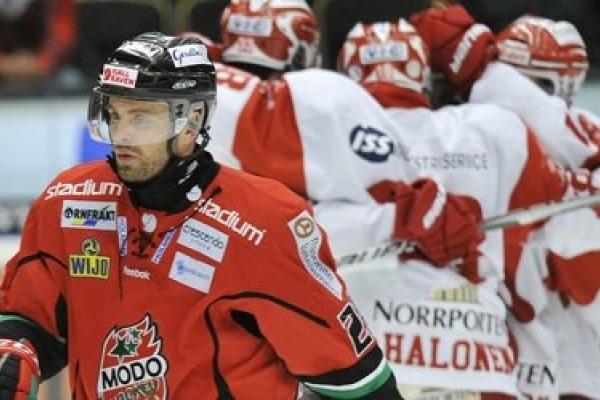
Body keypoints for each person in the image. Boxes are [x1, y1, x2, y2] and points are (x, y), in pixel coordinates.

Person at [0, 32, 403, 400]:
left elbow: (357, 381)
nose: (121, 134)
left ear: (191, 121)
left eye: (141, 118)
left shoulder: (265, 224)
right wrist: (14, 351)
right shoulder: (68, 203)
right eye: (115, 114)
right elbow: (30, 319)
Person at [337, 17, 600, 399]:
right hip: (487, 366)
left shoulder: (319, 136)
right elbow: (583, 215)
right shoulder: (494, 132)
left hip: (364, 365)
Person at [0, 0, 76, 83]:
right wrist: (4, 63)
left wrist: (43, 62)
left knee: (71, 81)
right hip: (6, 66)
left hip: (49, 69)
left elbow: (63, 24)